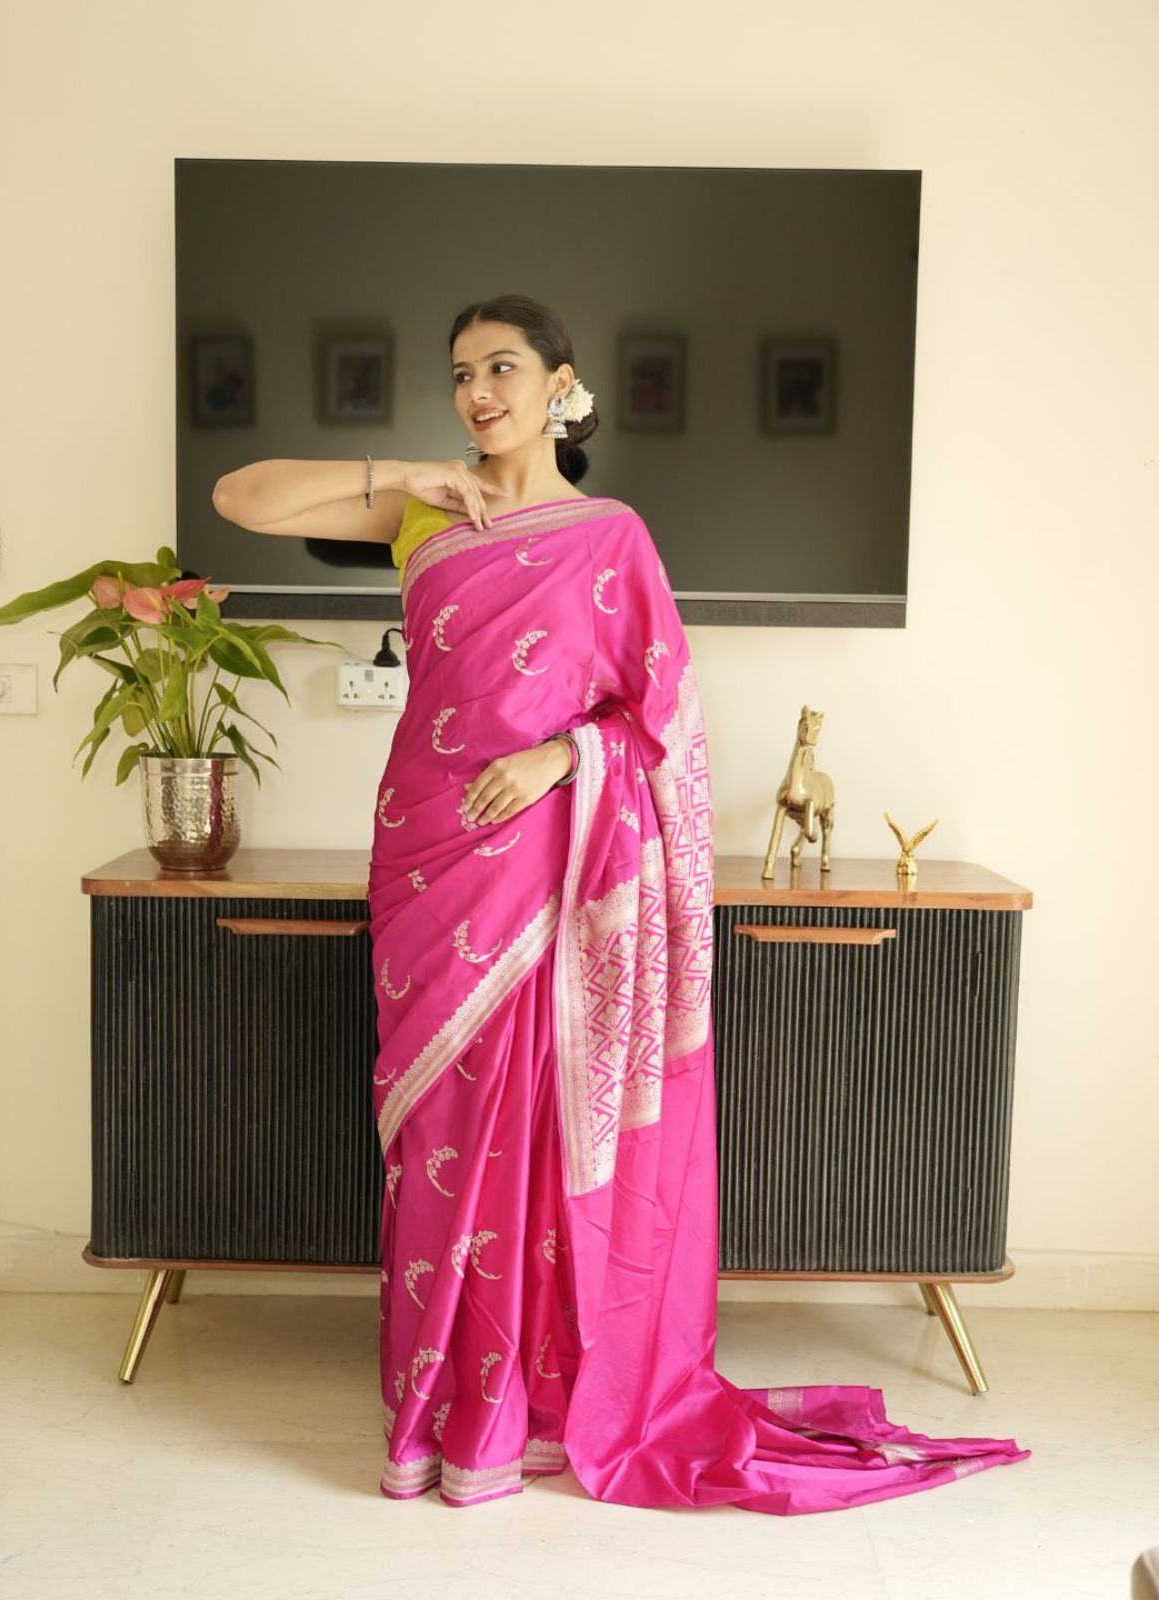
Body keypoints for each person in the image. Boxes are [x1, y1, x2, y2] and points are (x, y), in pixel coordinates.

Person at [223, 293, 1031, 1512]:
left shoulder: (612, 538)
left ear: (562, 385)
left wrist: (563, 758)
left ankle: (524, 1406)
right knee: (438, 1136)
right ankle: (439, 1407)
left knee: (535, 1127)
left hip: (550, 865)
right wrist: (409, 476)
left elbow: (659, 720)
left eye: (504, 367)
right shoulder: (423, 515)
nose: (479, 391)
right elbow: (243, 497)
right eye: (462, 372)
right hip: (430, 857)